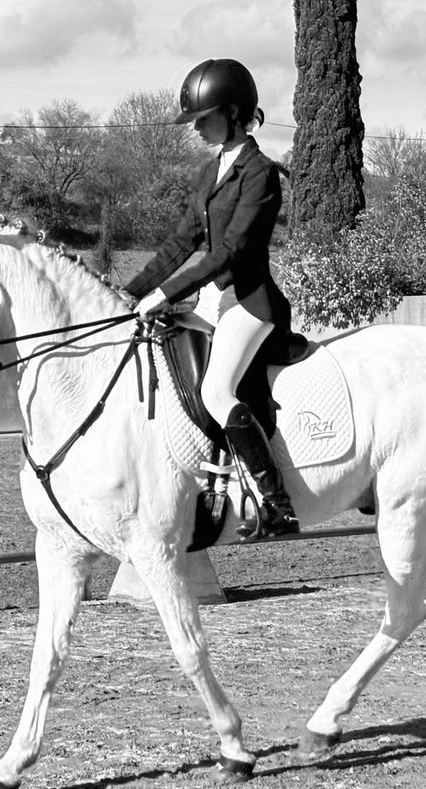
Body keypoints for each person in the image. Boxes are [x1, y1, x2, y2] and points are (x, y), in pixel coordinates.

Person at [123, 58, 302, 537]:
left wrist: (164, 293)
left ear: (233, 112)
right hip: (212, 299)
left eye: (203, 118)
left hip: (248, 300)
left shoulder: (260, 174)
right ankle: (208, 479)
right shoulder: (210, 170)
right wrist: (133, 290)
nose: (197, 127)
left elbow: (229, 253)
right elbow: (182, 241)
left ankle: (275, 502)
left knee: (216, 390)